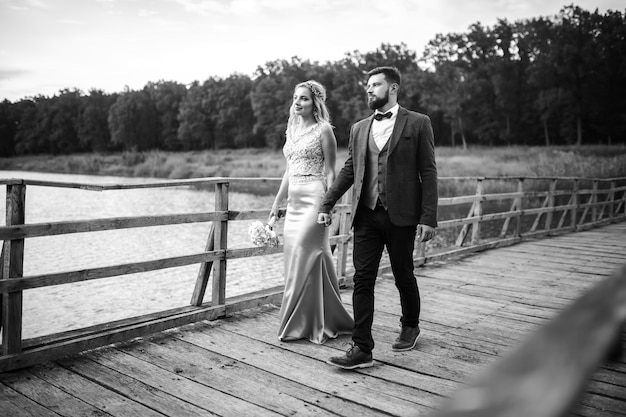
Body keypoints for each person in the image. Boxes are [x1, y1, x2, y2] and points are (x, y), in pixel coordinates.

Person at [318, 66, 438, 369]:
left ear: (393, 88)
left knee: (403, 274)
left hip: (402, 216)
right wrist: (327, 202)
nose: (369, 90)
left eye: (375, 85)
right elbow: (349, 169)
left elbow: (428, 171)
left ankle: (410, 325)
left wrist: (429, 217)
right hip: (367, 215)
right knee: (362, 280)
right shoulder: (359, 128)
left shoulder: (419, 123)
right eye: (367, 86)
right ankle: (361, 347)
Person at [270, 80, 354, 344]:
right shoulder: (291, 129)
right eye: (295, 98)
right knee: (296, 257)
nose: (298, 102)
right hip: (294, 201)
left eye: (304, 98)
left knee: (308, 254)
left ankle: (305, 322)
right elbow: (288, 170)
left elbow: (331, 172)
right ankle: (315, 318)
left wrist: (328, 206)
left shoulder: (324, 130)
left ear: (315, 102)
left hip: (315, 198)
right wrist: (276, 204)